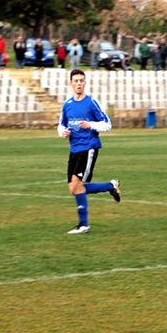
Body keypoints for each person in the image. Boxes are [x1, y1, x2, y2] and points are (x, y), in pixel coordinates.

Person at [57, 69, 120, 234]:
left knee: (77, 185)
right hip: (74, 148)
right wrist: (62, 132)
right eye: (76, 81)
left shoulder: (92, 102)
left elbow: (107, 123)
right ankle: (110, 186)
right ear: (71, 83)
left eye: (81, 80)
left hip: (89, 147)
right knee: (73, 188)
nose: (79, 83)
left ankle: (83, 225)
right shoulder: (67, 105)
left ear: (85, 83)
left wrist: (91, 124)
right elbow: (61, 124)